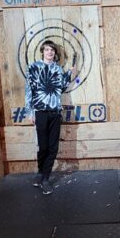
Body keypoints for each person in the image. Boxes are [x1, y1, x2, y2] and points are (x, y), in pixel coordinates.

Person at [25, 40, 72, 195]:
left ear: (55, 53)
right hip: (40, 112)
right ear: (42, 52)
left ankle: (45, 178)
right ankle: (40, 171)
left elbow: (61, 88)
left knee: (53, 147)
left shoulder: (58, 69)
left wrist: (70, 73)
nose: (50, 52)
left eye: (52, 50)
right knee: (43, 147)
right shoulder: (33, 68)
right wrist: (30, 112)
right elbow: (29, 90)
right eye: (47, 50)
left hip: (55, 112)